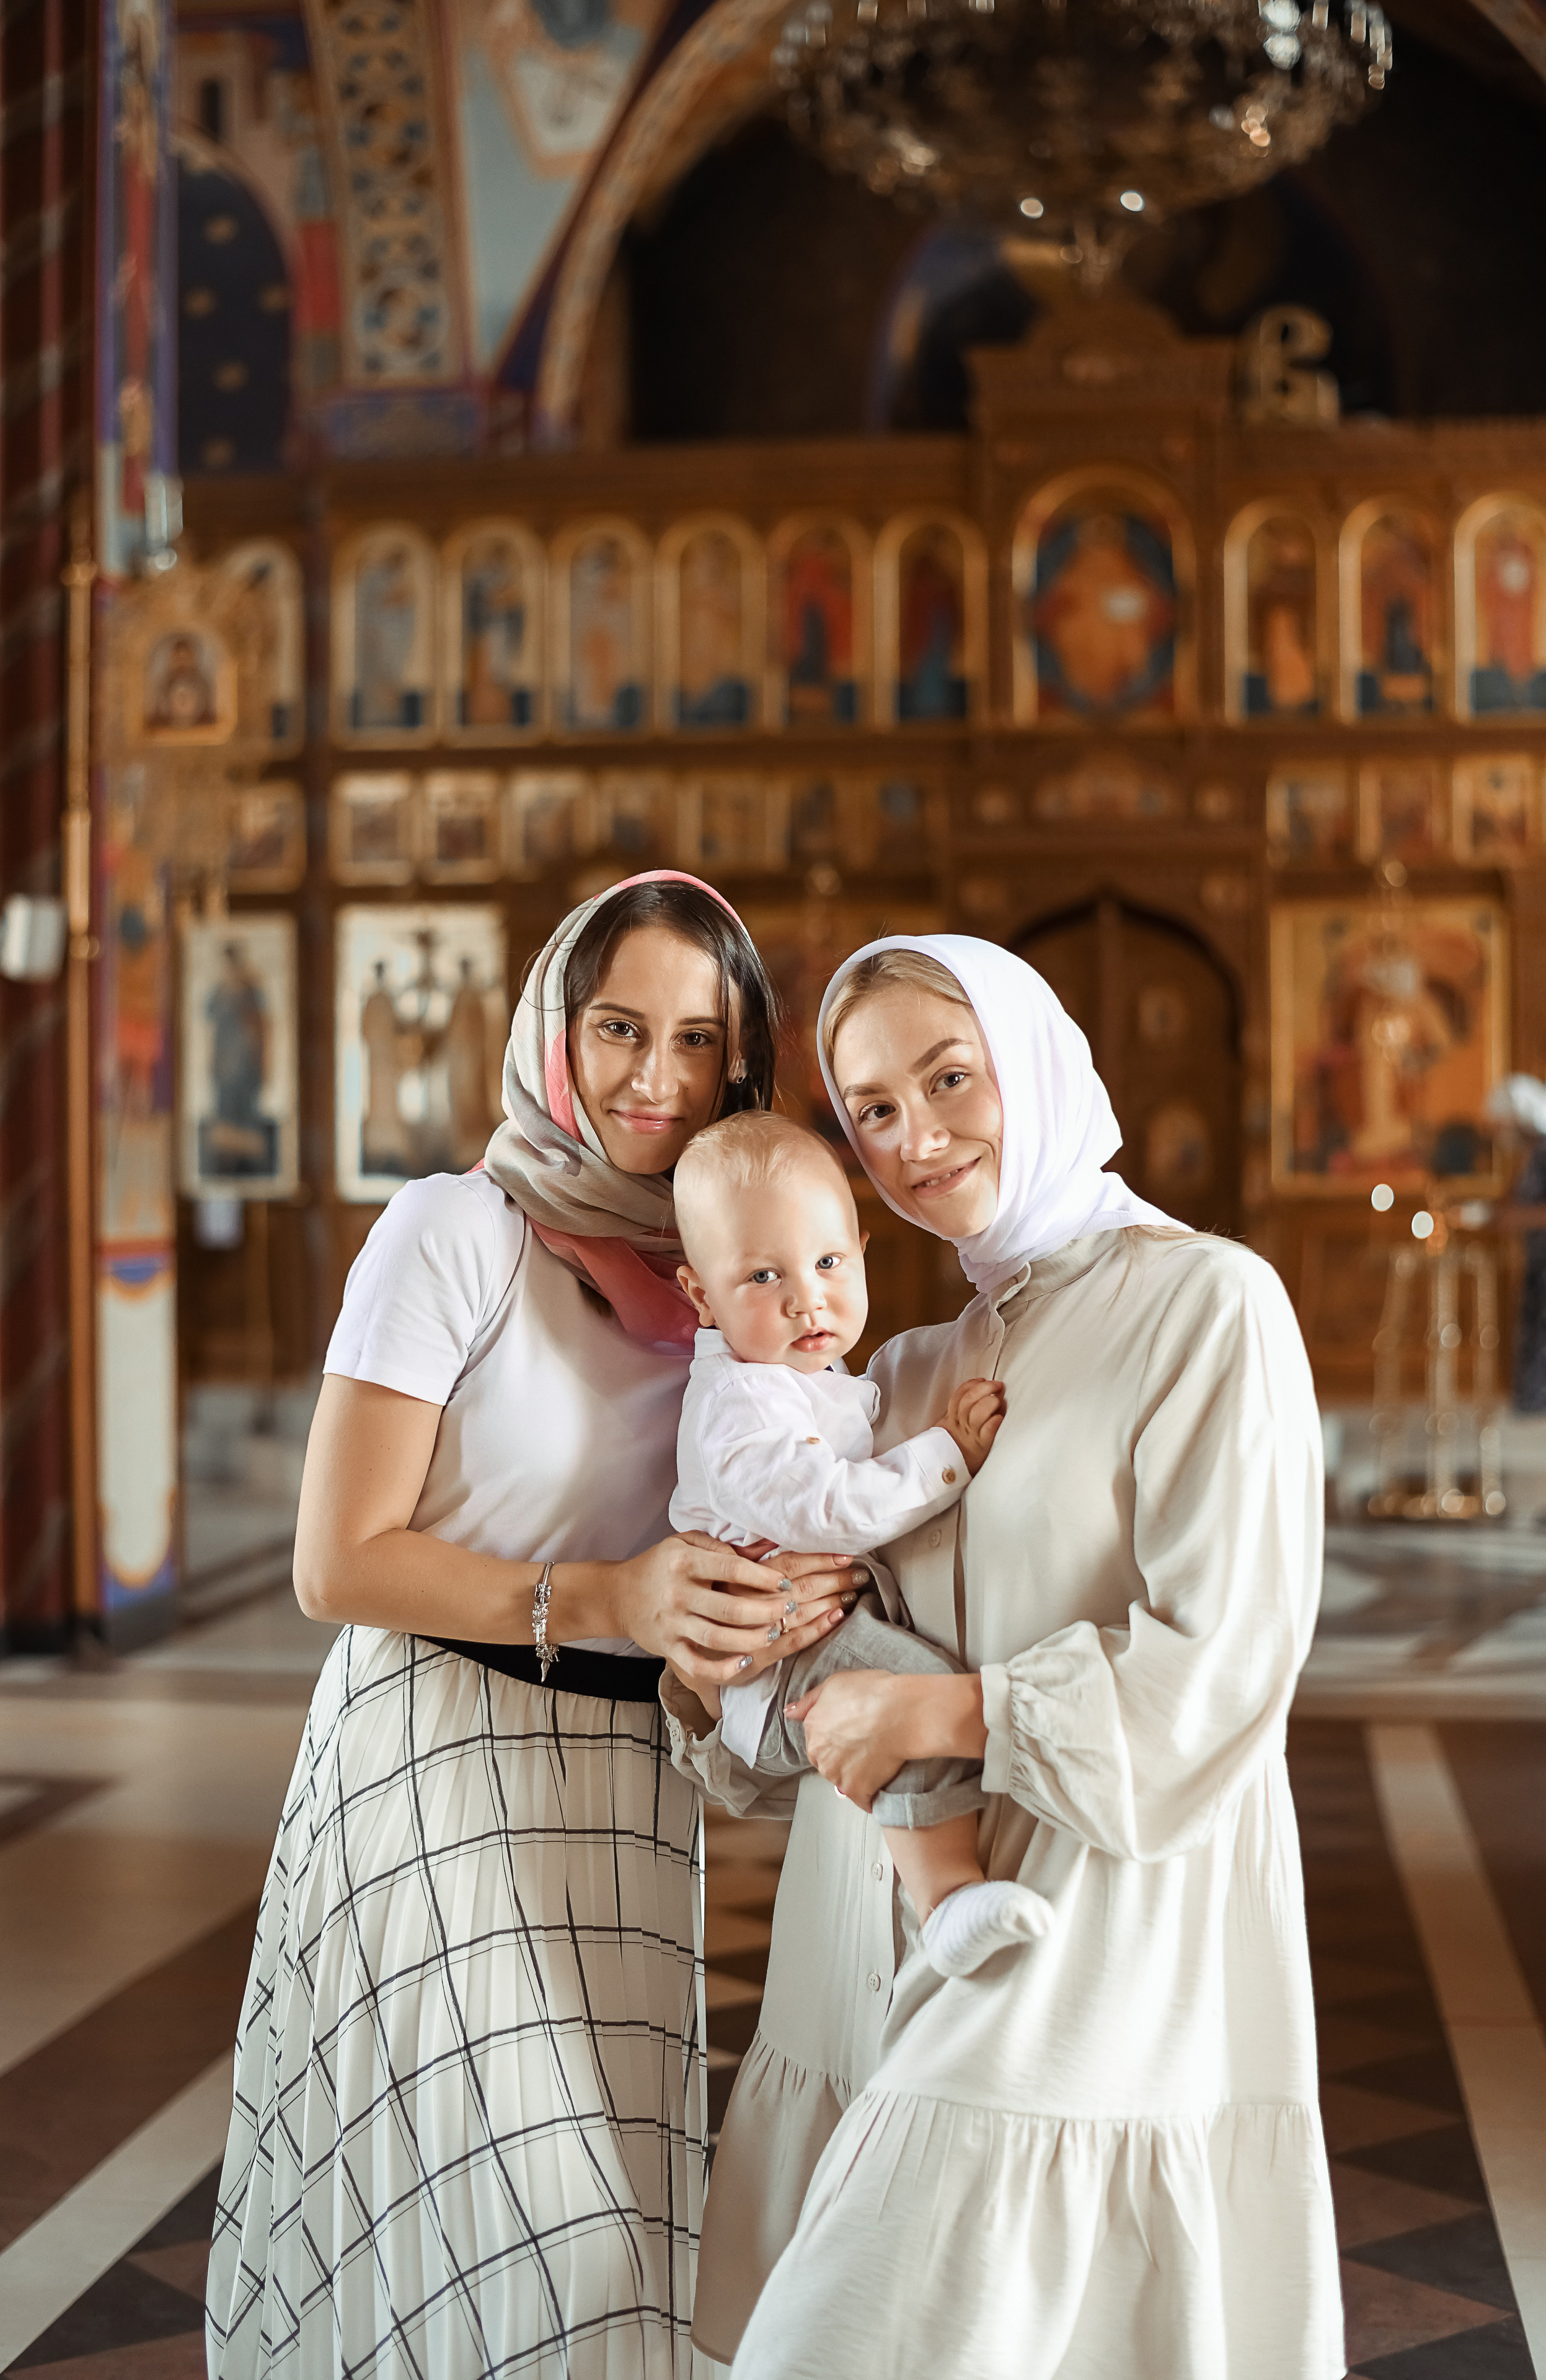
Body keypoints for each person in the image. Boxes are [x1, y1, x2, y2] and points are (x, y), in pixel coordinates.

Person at [205, 872, 863, 2380]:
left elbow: (753, 1513)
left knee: (629, 2263)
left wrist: (775, 1601)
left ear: (738, 1064)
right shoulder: (454, 1232)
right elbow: (337, 1560)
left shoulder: (727, 1278)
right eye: (620, 1028)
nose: (655, 1077)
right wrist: (614, 1598)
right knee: (545, 2241)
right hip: (434, 1761)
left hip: (624, 1797)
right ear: (556, 1035)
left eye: (697, 1042)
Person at [667, 934, 1340, 2379]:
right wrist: (713, 1660)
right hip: (865, 1941)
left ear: (1030, 1061)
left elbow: (1222, 1664)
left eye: (947, 1076)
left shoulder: (1207, 1309)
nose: (918, 1138)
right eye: (872, 1114)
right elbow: (798, 1699)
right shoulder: (894, 1378)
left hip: (1099, 1920)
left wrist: (933, 1706)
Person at [669, 1109, 1049, 1980]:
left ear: (863, 1252)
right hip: (772, 1666)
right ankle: (947, 1899)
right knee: (913, 1692)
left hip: (806, 1635)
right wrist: (948, 1454)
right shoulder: (741, 1404)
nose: (807, 1297)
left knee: (913, 1681)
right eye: (764, 1276)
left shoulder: (809, 1376)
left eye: (830, 1263)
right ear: (702, 1295)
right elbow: (826, 1510)